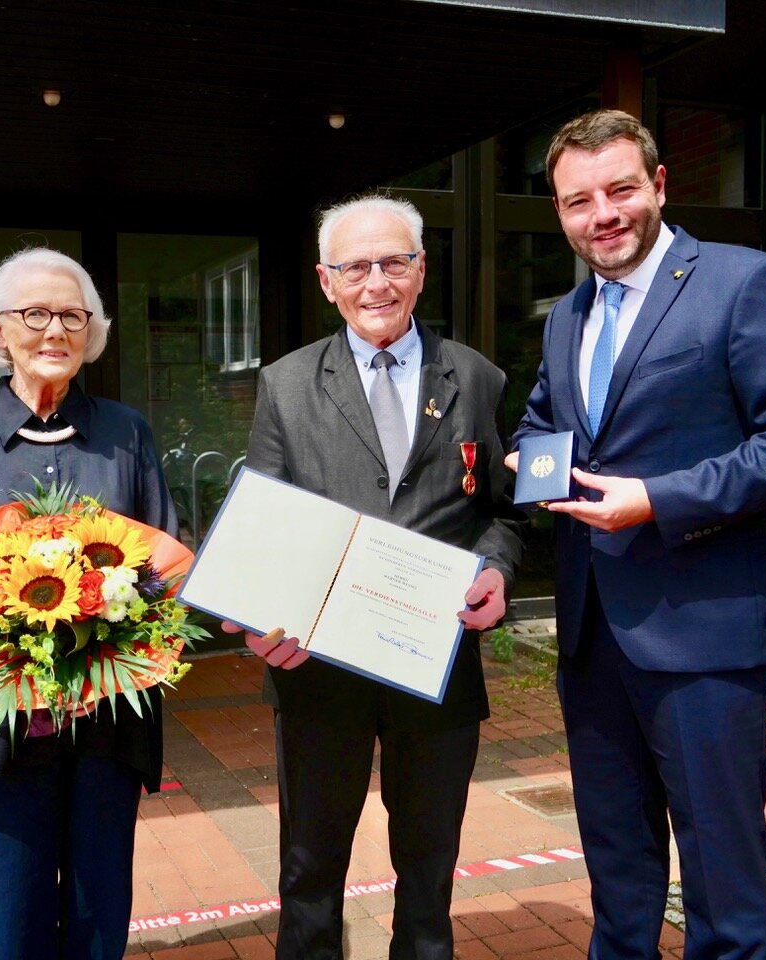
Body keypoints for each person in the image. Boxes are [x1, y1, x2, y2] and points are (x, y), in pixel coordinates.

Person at [510, 109, 766, 959]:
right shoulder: (568, 314)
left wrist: (659, 499)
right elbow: (546, 423)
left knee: (722, 881)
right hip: (592, 635)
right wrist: (526, 463)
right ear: (560, 212)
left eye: (620, 189)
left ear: (659, 185)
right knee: (617, 869)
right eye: (579, 200)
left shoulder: (745, 281)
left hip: (704, 633)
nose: (603, 215)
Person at [228, 195, 527, 960]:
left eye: (394, 262)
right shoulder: (287, 383)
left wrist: (496, 570)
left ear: (421, 270)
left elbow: (502, 511)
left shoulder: (476, 377)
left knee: (429, 869)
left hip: (437, 665)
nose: (377, 283)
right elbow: (261, 527)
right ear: (326, 281)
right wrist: (259, 618)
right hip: (317, 670)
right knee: (310, 868)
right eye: (356, 267)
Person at [0, 247, 175, 960]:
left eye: (72, 317)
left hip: (109, 721)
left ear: (92, 332)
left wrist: (106, 663)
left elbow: (159, 577)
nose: (55, 330)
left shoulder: (126, 433)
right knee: (6, 920)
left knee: (96, 913)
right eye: (34, 314)